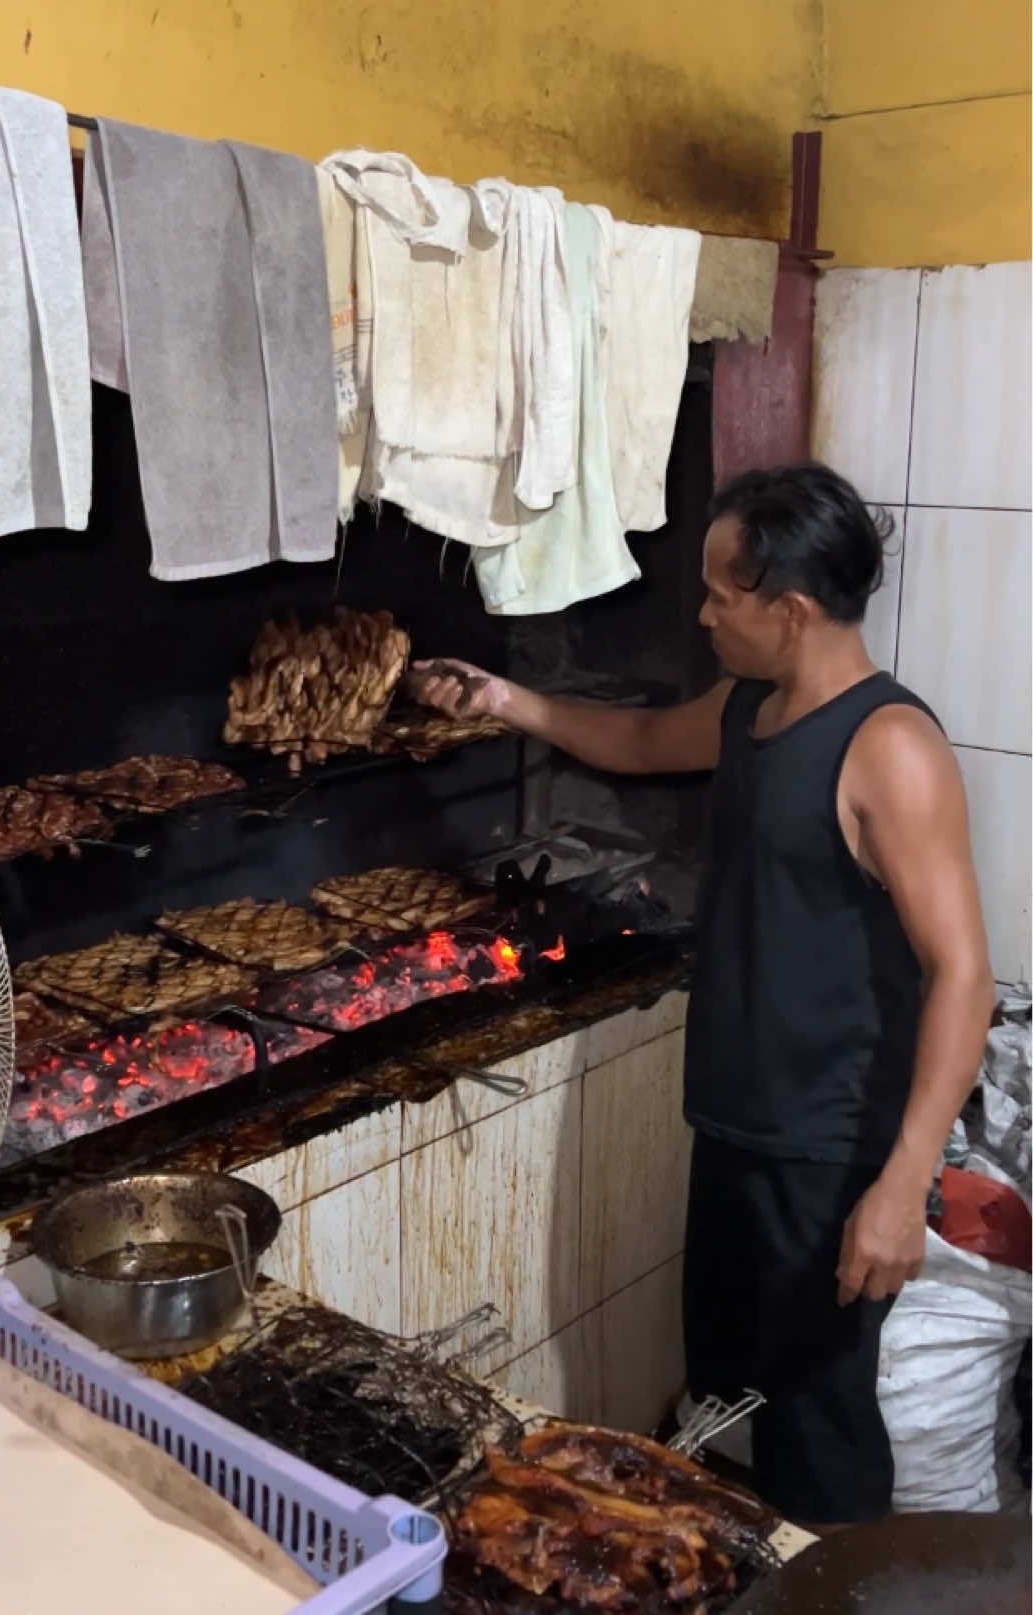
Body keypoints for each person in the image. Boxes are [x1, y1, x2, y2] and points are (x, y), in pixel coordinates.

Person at [412, 463, 994, 1528]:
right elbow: (637, 744)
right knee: (741, 1390)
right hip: (735, 1123)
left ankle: (835, 1597)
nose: (705, 612)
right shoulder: (749, 709)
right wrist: (506, 700)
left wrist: (903, 1186)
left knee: (822, 1426)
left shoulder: (890, 748)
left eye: (726, 594)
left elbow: (964, 973)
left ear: (794, 609)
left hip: (828, 1148)